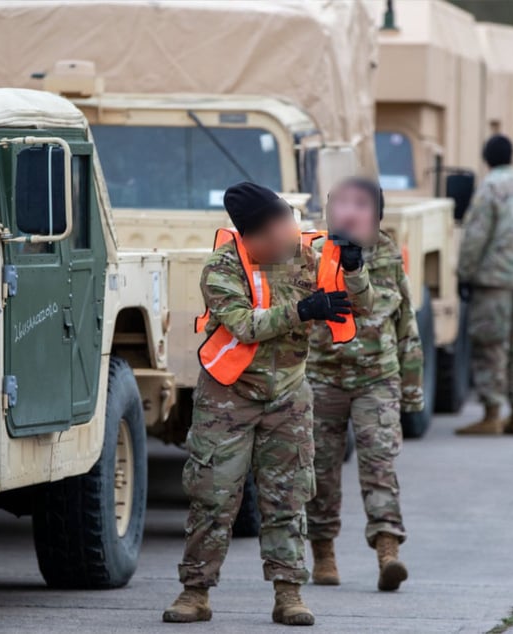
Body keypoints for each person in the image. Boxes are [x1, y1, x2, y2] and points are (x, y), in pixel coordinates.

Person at [163, 181, 370, 626]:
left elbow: (362, 306)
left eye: (291, 223)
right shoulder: (221, 268)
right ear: (254, 237)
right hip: (228, 397)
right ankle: (194, 592)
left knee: (287, 499)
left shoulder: (311, 255)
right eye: (281, 230)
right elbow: (243, 326)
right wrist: (303, 310)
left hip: (289, 396)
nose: (291, 235)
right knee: (213, 498)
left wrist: (354, 270)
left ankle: (289, 593)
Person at [305, 177, 423, 592]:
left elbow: (405, 322)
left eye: (360, 205)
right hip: (322, 377)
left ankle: (388, 552)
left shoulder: (389, 257)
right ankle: (323, 554)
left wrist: (411, 388)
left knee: (379, 466)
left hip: (377, 379)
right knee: (320, 469)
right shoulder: (313, 255)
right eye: (340, 204)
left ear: (376, 214)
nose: (349, 212)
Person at [455, 135, 513, 436]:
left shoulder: (490, 187)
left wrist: (465, 272)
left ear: (487, 159)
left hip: (494, 279)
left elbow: (476, 235)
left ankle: (492, 413)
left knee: (491, 345)